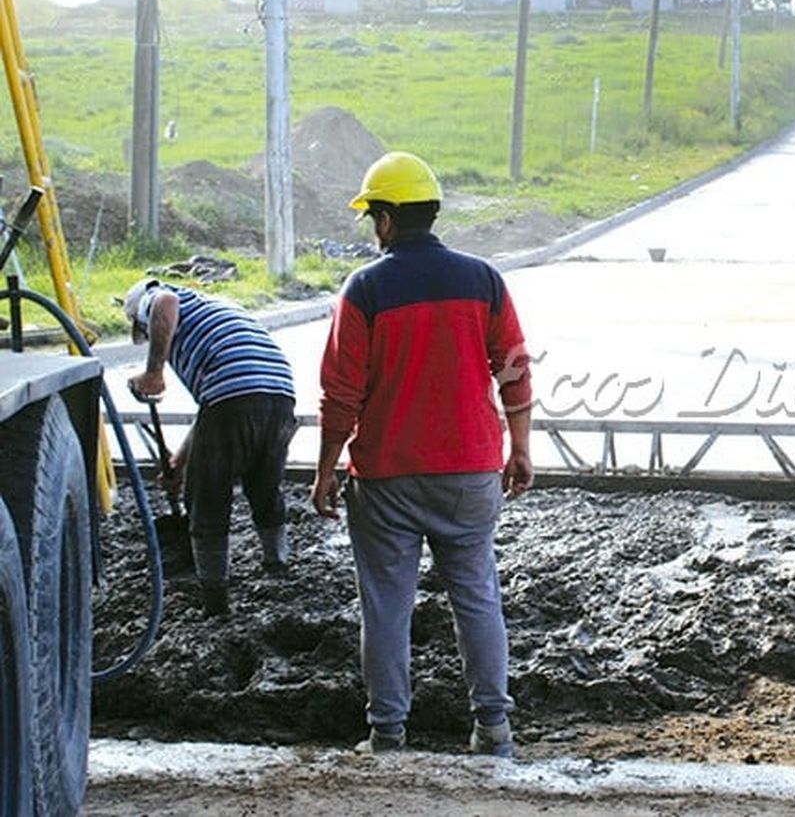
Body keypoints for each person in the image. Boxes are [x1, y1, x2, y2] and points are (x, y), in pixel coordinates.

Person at [312, 151, 534, 757]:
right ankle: (494, 729)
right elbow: (513, 368)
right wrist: (520, 445)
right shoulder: (484, 279)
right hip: (469, 472)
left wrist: (327, 468)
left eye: (372, 218)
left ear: (385, 219)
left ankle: (387, 734)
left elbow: (342, 392)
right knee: (477, 594)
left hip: (386, 478)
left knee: (386, 604)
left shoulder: (364, 290)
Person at [122, 279, 298, 616]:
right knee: (265, 487)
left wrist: (153, 372)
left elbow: (165, 302)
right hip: (279, 397)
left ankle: (215, 600)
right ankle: (277, 567)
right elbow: (213, 409)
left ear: (140, 316)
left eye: (145, 332)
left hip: (233, 395)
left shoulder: (155, 297)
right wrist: (180, 461)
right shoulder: (216, 308)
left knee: (207, 498)